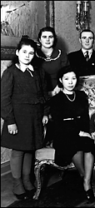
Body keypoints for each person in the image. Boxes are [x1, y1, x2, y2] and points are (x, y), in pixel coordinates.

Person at [1, 38, 49, 200]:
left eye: (31, 53)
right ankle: (17, 183)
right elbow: (4, 99)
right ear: (17, 53)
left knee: (30, 149)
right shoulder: (10, 73)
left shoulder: (38, 72)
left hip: (34, 116)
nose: (27, 56)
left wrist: (44, 113)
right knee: (19, 150)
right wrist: (10, 121)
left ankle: (27, 180)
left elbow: (43, 95)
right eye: (24, 52)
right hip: (18, 118)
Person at [50, 65, 95, 203]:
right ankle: (83, 175)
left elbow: (84, 118)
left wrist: (87, 132)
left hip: (82, 131)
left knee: (88, 143)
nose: (70, 82)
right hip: (63, 133)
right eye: (67, 79)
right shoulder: (56, 99)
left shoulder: (81, 96)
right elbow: (58, 123)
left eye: (73, 78)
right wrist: (78, 131)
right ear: (61, 80)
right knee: (74, 142)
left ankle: (86, 182)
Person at [35, 26, 69, 147]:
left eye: (50, 37)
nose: (48, 39)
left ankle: (58, 142)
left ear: (54, 39)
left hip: (59, 90)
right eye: (44, 37)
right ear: (39, 39)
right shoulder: (34, 54)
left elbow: (67, 73)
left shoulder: (61, 54)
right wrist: (45, 93)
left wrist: (57, 89)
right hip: (40, 92)